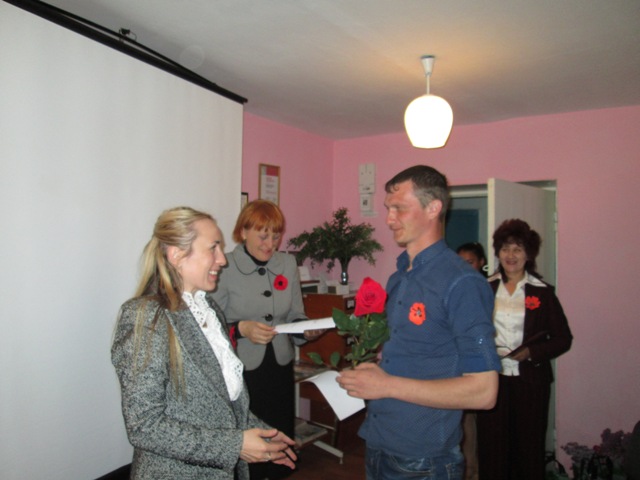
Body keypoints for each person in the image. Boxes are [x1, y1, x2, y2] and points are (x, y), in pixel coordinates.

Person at [337, 165, 501, 480]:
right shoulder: (399, 277)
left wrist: (386, 385)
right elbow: (412, 355)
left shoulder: (463, 283)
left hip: (425, 460)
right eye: (388, 208)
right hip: (379, 441)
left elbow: (484, 392)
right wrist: (372, 372)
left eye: (399, 208)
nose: (389, 219)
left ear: (433, 208)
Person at [111, 206, 297, 480]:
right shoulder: (146, 317)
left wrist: (264, 434)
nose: (222, 259)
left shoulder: (208, 308)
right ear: (176, 255)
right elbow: (144, 426)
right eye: (213, 248)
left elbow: (225, 402)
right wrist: (236, 445)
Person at [212, 200, 322, 480]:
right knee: (250, 440)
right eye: (263, 236)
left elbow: (296, 314)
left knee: (278, 434)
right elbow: (209, 324)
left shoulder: (287, 263)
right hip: (241, 369)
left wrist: (305, 330)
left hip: (279, 366)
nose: (270, 243)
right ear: (243, 231)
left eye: (276, 236)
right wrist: (241, 328)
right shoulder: (224, 266)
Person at [476, 218, 573, 480]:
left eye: (518, 249)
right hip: (492, 379)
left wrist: (531, 352)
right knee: (492, 446)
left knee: (528, 447)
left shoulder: (543, 293)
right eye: (505, 248)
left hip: (531, 380)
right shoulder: (484, 288)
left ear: (528, 254)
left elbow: (563, 338)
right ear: (498, 252)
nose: (511, 255)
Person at [455, 242, 488, 480]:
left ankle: (477, 470)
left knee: (480, 424)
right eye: (461, 262)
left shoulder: (487, 288)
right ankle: (468, 470)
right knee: (464, 422)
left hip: (483, 363)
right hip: (459, 364)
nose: (465, 267)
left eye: (470, 262)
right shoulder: (454, 287)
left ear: (481, 263)